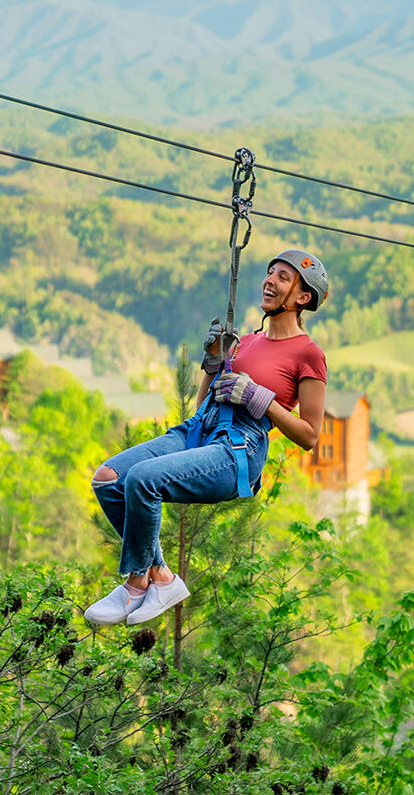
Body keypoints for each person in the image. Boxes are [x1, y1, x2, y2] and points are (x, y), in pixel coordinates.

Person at [83, 249, 330, 626]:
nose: (269, 280)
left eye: (283, 277)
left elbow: (310, 435)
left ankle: (136, 582)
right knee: (108, 479)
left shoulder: (308, 354)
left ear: (303, 297)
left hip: (238, 448)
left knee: (143, 479)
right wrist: (214, 362)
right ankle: (160, 576)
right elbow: (203, 404)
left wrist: (261, 400)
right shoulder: (247, 342)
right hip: (201, 428)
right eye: (270, 272)